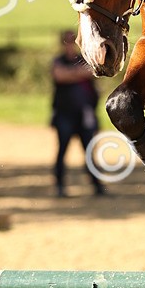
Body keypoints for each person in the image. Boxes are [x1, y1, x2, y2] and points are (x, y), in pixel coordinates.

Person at [50, 30, 105, 198]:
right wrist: (78, 73)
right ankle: (59, 186)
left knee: (89, 151)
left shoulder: (83, 59)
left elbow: (92, 71)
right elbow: (59, 76)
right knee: (62, 151)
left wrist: (70, 74)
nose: (70, 44)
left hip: (84, 114)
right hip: (65, 114)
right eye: (67, 41)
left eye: (73, 41)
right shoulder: (59, 61)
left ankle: (97, 186)